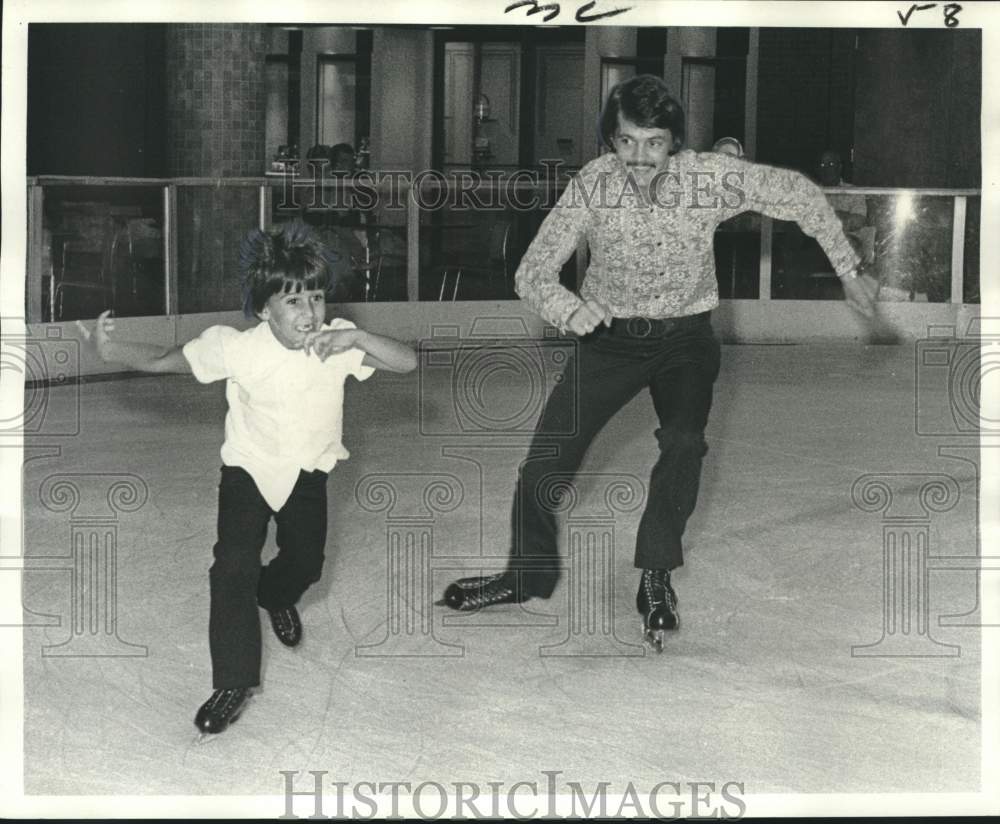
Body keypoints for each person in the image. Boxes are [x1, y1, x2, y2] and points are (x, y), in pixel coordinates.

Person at [439, 75, 877, 650]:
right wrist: (567, 308)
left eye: (653, 142)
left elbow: (798, 195)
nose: (639, 157)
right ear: (609, 141)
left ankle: (655, 576)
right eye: (626, 142)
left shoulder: (708, 178)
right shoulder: (592, 185)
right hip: (610, 339)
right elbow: (533, 271)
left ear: (673, 140)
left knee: (683, 445)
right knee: (547, 459)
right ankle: (525, 574)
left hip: (685, 340)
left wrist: (847, 270)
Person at [76, 221, 417, 733]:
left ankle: (277, 595)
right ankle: (231, 680)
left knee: (305, 563)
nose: (310, 313)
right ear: (264, 308)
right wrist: (115, 352)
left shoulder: (335, 344)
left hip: (308, 473)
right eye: (294, 302)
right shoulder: (237, 347)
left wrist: (359, 335)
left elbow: (407, 363)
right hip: (249, 469)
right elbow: (170, 360)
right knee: (232, 566)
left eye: (317, 298)